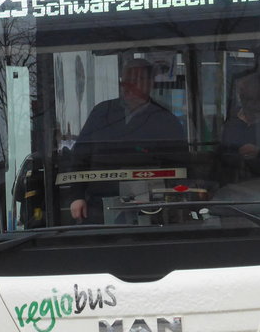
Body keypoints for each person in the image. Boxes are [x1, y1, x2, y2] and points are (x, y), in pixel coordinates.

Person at [65, 58, 185, 222]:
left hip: (150, 208)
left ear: (150, 83)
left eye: (138, 79)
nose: (130, 84)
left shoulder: (166, 120)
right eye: (127, 79)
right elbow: (80, 156)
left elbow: (179, 167)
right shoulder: (101, 113)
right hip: (99, 205)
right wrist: (76, 196)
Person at [217, 70, 260, 181]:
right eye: (244, 98)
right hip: (233, 185)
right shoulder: (232, 120)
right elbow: (221, 155)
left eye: (252, 100)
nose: (248, 104)